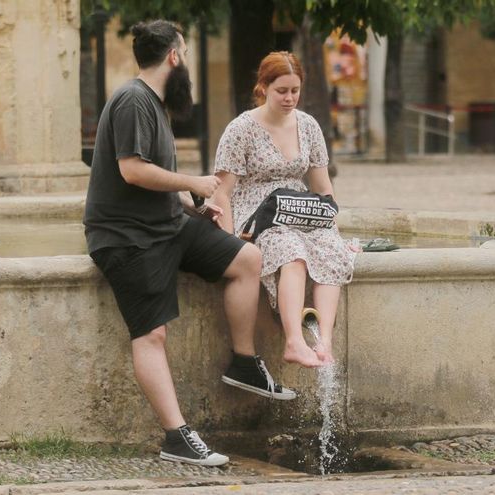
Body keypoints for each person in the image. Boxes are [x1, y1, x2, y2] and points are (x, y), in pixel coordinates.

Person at [83, 21, 296, 468]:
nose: (189, 64)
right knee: (151, 333)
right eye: (187, 53)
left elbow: (153, 181)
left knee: (246, 258)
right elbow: (132, 171)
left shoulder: (154, 104)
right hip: (127, 238)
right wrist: (196, 181)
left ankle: (242, 361)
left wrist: (193, 200)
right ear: (175, 57)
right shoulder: (133, 100)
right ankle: (176, 437)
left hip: (168, 224)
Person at [211, 51, 358, 368]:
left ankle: (323, 343)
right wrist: (230, 243)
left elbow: (322, 186)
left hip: (300, 208)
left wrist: (328, 221)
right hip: (259, 214)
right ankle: (293, 341)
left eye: (295, 90)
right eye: (282, 91)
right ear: (263, 87)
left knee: (332, 250)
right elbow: (221, 191)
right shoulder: (241, 129)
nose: (290, 98)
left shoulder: (308, 126)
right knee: (291, 251)